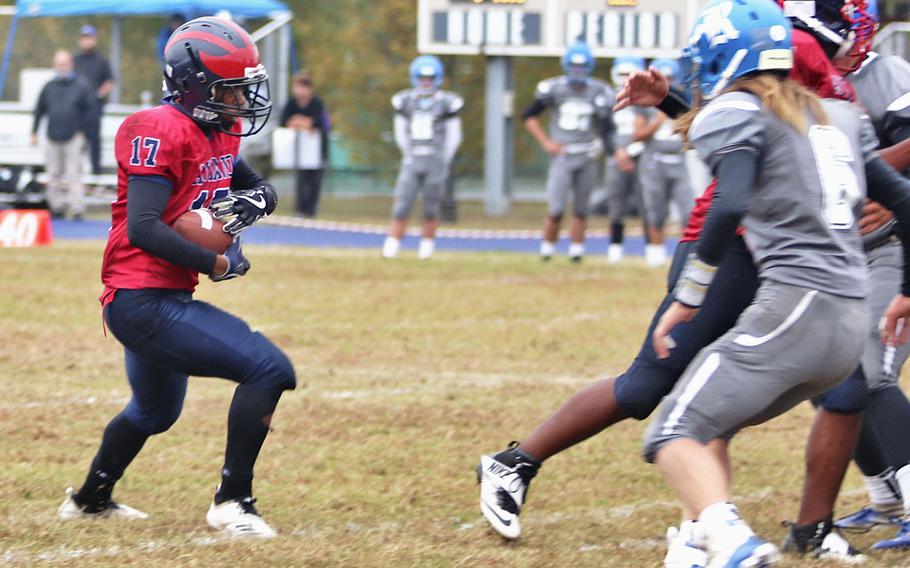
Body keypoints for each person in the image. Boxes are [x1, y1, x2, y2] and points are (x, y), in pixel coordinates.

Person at [477, 0, 890, 563]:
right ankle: (517, 461)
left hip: (794, 253)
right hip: (735, 241)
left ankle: (797, 528)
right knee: (652, 385)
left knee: (844, 391)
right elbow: (742, 135)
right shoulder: (793, 47)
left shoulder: (809, 64)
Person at [640, 0, 910, 564]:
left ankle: (731, 543)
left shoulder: (732, 112)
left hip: (795, 303)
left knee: (673, 428)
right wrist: (906, 286)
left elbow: (730, 201)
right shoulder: (837, 115)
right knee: (711, 418)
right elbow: (903, 199)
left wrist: (689, 295)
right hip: (847, 317)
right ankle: (699, 541)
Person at [56, 17, 294, 539]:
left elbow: (257, 188)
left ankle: (90, 499)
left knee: (154, 410)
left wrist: (255, 206)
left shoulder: (222, 127)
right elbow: (143, 228)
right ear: (194, 85)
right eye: (230, 89)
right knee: (269, 370)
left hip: (165, 294)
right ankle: (233, 502)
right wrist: (217, 262)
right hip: (141, 297)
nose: (241, 101)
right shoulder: (156, 127)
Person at [824, 0, 910, 550]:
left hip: (894, 246)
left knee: (873, 371)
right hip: (837, 253)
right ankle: (885, 495)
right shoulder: (806, 76)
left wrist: (874, 182)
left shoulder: (891, 75)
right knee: (828, 373)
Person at [524, 41, 613, 263]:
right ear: (566, 66)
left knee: (582, 208)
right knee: (556, 207)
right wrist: (546, 143)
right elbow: (529, 116)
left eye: (582, 67)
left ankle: (576, 251)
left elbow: (606, 125)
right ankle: (547, 249)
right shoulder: (553, 88)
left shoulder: (598, 90)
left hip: (586, 153)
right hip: (562, 154)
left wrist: (600, 145)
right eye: (574, 67)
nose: (578, 72)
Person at [381, 55, 462, 260]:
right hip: (413, 157)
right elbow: (400, 131)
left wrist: (445, 158)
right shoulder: (405, 100)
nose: (426, 82)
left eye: (430, 78)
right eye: (422, 78)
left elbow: (454, 135)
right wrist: (407, 152)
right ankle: (392, 245)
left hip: (435, 158)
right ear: (415, 78)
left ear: (437, 78)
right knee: (402, 203)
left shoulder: (447, 102)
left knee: (431, 205)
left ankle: (426, 247)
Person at [632, 58, 693, 267]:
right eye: (663, 78)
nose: (667, 82)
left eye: (670, 78)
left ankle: (684, 257)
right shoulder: (647, 104)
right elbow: (637, 134)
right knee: (656, 211)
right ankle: (655, 254)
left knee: (688, 211)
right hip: (654, 161)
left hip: (678, 160)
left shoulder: (686, 102)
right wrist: (656, 123)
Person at [31, 49, 93, 220]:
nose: (61, 67)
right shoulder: (49, 86)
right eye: (59, 64)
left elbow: (89, 111)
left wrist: (84, 132)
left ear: (70, 64)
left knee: (74, 174)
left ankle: (77, 208)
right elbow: (39, 110)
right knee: (54, 175)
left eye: (64, 63)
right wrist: (34, 131)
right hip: (53, 135)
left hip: (73, 136)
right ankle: (56, 207)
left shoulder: (81, 86)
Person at [605, 55, 646, 264]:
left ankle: (652, 251)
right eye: (621, 74)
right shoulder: (607, 97)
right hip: (616, 156)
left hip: (643, 156)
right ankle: (615, 249)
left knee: (647, 203)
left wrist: (632, 151)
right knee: (616, 204)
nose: (624, 79)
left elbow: (650, 129)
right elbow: (604, 129)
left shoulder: (647, 98)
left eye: (628, 75)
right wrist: (617, 151)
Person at [279, 71, 329, 218]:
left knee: (314, 180)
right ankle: (299, 209)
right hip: (298, 150)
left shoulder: (317, 103)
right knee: (300, 179)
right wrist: (302, 122)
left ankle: (311, 211)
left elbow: (318, 123)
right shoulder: (291, 103)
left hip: (316, 149)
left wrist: (300, 121)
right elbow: (285, 121)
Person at [74, 24, 114, 176]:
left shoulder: (102, 61)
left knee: (94, 139)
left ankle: (96, 170)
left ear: (94, 40)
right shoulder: (75, 60)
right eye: (84, 38)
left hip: (94, 107)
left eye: (89, 38)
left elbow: (109, 82)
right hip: (77, 107)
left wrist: (97, 95)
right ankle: (76, 170)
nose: (87, 41)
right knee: (76, 140)